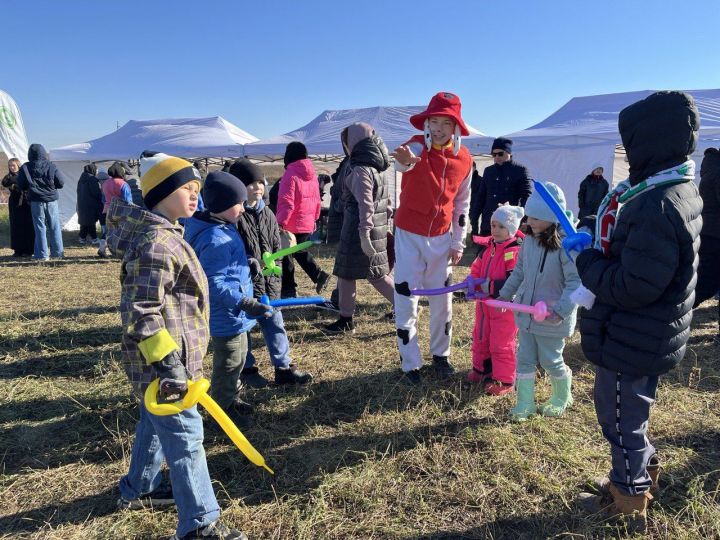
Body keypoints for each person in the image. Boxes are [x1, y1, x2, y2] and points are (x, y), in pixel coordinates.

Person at [575, 91, 703, 532]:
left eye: (630, 145)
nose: (627, 154)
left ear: (648, 143)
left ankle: (628, 499)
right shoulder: (677, 187)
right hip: (650, 332)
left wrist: (587, 260)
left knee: (619, 419)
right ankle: (641, 476)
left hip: (633, 334)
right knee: (633, 414)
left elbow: (633, 285)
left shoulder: (656, 204)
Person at [106, 153, 246, 540]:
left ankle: (140, 488)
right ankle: (200, 524)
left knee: (152, 423)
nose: (195, 197)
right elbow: (140, 311)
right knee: (186, 438)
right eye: (187, 188)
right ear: (162, 193)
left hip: (167, 364)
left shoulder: (168, 235)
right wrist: (169, 364)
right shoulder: (157, 243)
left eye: (197, 189)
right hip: (165, 367)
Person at [390, 92, 473, 384]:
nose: (438, 128)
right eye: (433, 121)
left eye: (445, 123)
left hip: (441, 238)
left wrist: (458, 241)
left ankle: (442, 356)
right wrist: (404, 162)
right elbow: (404, 163)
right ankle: (410, 363)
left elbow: (462, 203)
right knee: (406, 296)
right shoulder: (414, 147)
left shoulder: (465, 159)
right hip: (409, 234)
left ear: (456, 128)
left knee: (443, 299)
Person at [184, 170, 274, 426]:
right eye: (239, 204)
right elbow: (213, 283)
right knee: (228, 363)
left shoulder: (223, 227)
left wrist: (248, 263)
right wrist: (244, 302)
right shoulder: (215, 238)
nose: (244, 209)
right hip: (227, 315)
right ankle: (222, 412)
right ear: (223, 206)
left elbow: (226, 268)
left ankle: (231, 398)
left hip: (236, 314)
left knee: (239, 358)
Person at [497, 182, 581, 421]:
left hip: (552, 318)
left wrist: (561, 311)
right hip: (526, 314)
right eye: (528, 216)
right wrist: (505, 293)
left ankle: (561, 396)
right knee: (523, 358)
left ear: (551, 218)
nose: (528, 222)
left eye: (534, 217)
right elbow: (520, 270)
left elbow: (576, 283)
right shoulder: (530, 241)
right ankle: (525, 403)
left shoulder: (568, 247)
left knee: (550, 359)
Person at [230, 158, 313, 388]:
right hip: (246, 286)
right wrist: (249, 264)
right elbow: (233, 250)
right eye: (250, 183)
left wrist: (277, 262)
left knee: (276, 324)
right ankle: (247, 370)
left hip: (269, 284)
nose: (257, 187)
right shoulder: (234, 217)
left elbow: (275, 246)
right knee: (243, 330)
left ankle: (284, 368)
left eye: (259, 181)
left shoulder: (268, 213)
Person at [324, 123, 395, 334]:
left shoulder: (360, 168)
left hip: (359, 228)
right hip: (377, 227)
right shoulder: (380, 166)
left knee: (348, 275)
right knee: (377, 274)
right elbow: (386, 204)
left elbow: (366, 203)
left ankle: (346, 321)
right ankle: (405, 308)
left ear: (352, 142)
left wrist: (364, 234)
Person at [467, 204, 525, 395]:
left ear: (511, 228)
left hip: (503, 307)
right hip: (484, 305)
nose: (496, 230)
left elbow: (514, 281)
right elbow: (477, 268)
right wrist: (472, 283)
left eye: (501, 227)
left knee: (501, 342)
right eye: (493, 225)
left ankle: (504, 380)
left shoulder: (514, 251)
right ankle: (482, 369)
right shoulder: (487, 248)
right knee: (481, 336)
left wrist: (490, 286)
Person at [276, 141, 331, 298]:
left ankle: (289, 290)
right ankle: (318, 276)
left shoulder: (290, 174)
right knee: (299, 252)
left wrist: (280, 222)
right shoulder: (312, 175)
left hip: (291, 222)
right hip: (306, 222)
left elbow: (286, 202)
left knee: (287, 255)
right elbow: (317, 200)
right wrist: (314, 218)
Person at [16, 144, 66, 260]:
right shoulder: (51, 166)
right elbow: (61, 182)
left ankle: (42, 255)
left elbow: (21, 185)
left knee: (40, 227)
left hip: (36, 201)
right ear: (44, 153)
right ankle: (58, 253)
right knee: (55, 226)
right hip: (51, 200)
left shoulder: (25, 167)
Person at [477, 138, 532, 236]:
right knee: (485, 251)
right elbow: (481, 196)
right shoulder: (488, 171)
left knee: (508, 251)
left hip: (508, 223)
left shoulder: (520, 170)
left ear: (509, 153)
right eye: (494, 154)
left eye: (500, 154)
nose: (497, 157)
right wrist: (474, 219)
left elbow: (526, 196)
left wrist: (522, 218)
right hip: (488, 223)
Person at [693, 147, 720, 338]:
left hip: (711, 232)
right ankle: (669, 314)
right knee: (704, 283)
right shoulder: (717, 169)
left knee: (703, 281)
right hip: (715, 234)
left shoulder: (712, 165)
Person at [98, 162, 132, 257]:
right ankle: (120, 251)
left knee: (109, 231)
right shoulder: (123, 184)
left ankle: (102, 248)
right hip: (121, 211)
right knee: (122, 231)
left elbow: (103, 199)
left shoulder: (105, 183)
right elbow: (128, 200)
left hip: (107, 209)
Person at [1, 157, 34, 256]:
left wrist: (15, 183)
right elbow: (4, 182)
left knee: (27, 226)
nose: (12, 167)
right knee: (15, 226)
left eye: (13, 165)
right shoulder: (8, 177)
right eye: (10, 166)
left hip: (25, 202)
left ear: (18, 165)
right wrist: (15, 183)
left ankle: (29, 249)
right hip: (14, 204)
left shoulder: (24, 175)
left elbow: (27, 184)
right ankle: (18, 250)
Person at [76, 163, 103, 244]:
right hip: (91, 204)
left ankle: (82, 238)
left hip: (81, 203)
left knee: (84, 222)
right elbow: (96, 192)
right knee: (91, 222)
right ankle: (94, 238)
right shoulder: (92, 179)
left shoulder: (81, 179)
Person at [468, 162, 483, 236]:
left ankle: (475, 237)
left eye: (470, 167)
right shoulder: (465, 179)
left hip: (476, 204)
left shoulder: (480, 180)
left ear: (474, 167)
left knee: (474, 221)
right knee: (470, 221)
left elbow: (481, 193)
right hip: (466, 204)